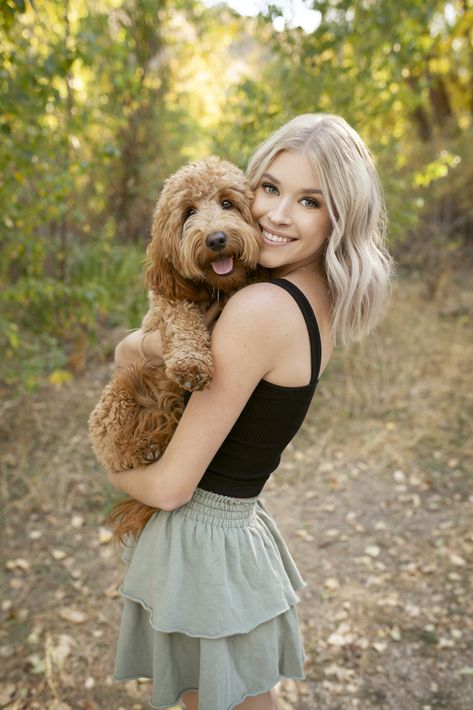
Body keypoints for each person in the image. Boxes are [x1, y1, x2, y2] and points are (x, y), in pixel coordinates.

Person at [107, 113, 394, 710]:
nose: (275, 215)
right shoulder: (314, 299)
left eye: (309, 200)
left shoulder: (259, 307)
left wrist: (112, 466)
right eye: (268, 188)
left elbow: (168, 487)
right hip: (237, 528)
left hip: (201, 542)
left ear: (340, 216)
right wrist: (143, 345)